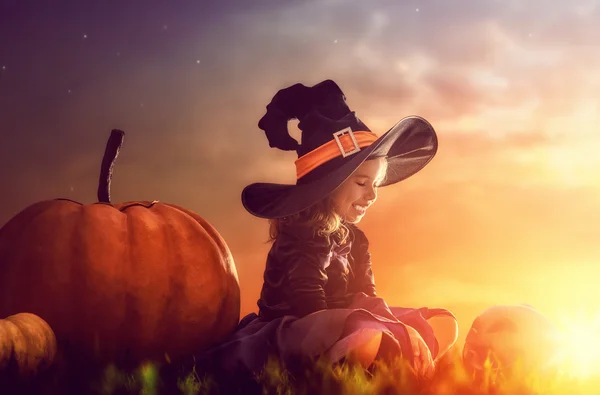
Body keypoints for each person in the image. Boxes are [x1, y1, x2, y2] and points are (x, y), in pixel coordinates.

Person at [196, 79, 458, 381]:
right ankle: (361, 359)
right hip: (299, 326)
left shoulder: (356, 240)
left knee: (435, 322)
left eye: (375, 185)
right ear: (327, 187)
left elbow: (366, 293)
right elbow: (310, 305)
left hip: (347, 320)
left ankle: (381, 355)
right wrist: (361, 326)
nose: (371, 195)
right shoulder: (300, 235)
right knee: (364, 331)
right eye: (362, 184)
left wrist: (382, 319)